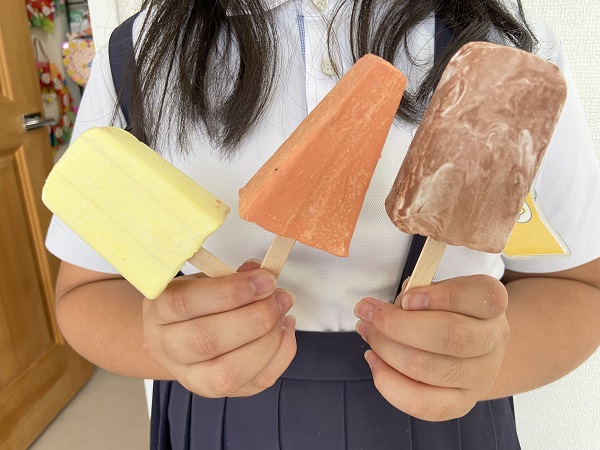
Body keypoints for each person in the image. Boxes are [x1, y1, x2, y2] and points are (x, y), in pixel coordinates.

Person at [45, 0, 600, 448]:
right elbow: (84, 292)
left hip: (447, 423)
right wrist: (161, 343)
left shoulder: (511, 49)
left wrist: (489, 360)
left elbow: (579, 285)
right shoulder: (139, 51)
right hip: (219, 416)